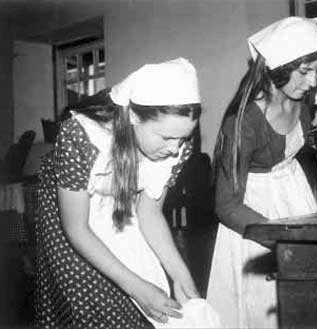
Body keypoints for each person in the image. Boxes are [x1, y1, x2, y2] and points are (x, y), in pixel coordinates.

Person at [35, 58, 220, 328]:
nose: (175, 148)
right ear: (133, 116)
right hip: (71, 215)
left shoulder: (177, 143)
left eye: (183, 138)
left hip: (122, 207)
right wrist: (137, 288)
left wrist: (184, 281)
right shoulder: (80, 135)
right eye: (166, 138)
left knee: (144, 291)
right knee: (90, 297)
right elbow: (77, 229)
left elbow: (149, 213)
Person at [207, 17, 317, 328]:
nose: (313, 82)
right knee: (265, 307)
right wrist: (280, 242)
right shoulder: (244, 122)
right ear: (278, 68)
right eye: (304, 71)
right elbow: (227, 206)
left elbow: (297, 149)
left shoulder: (301, 100)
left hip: (295, 201)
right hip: (255, 220)